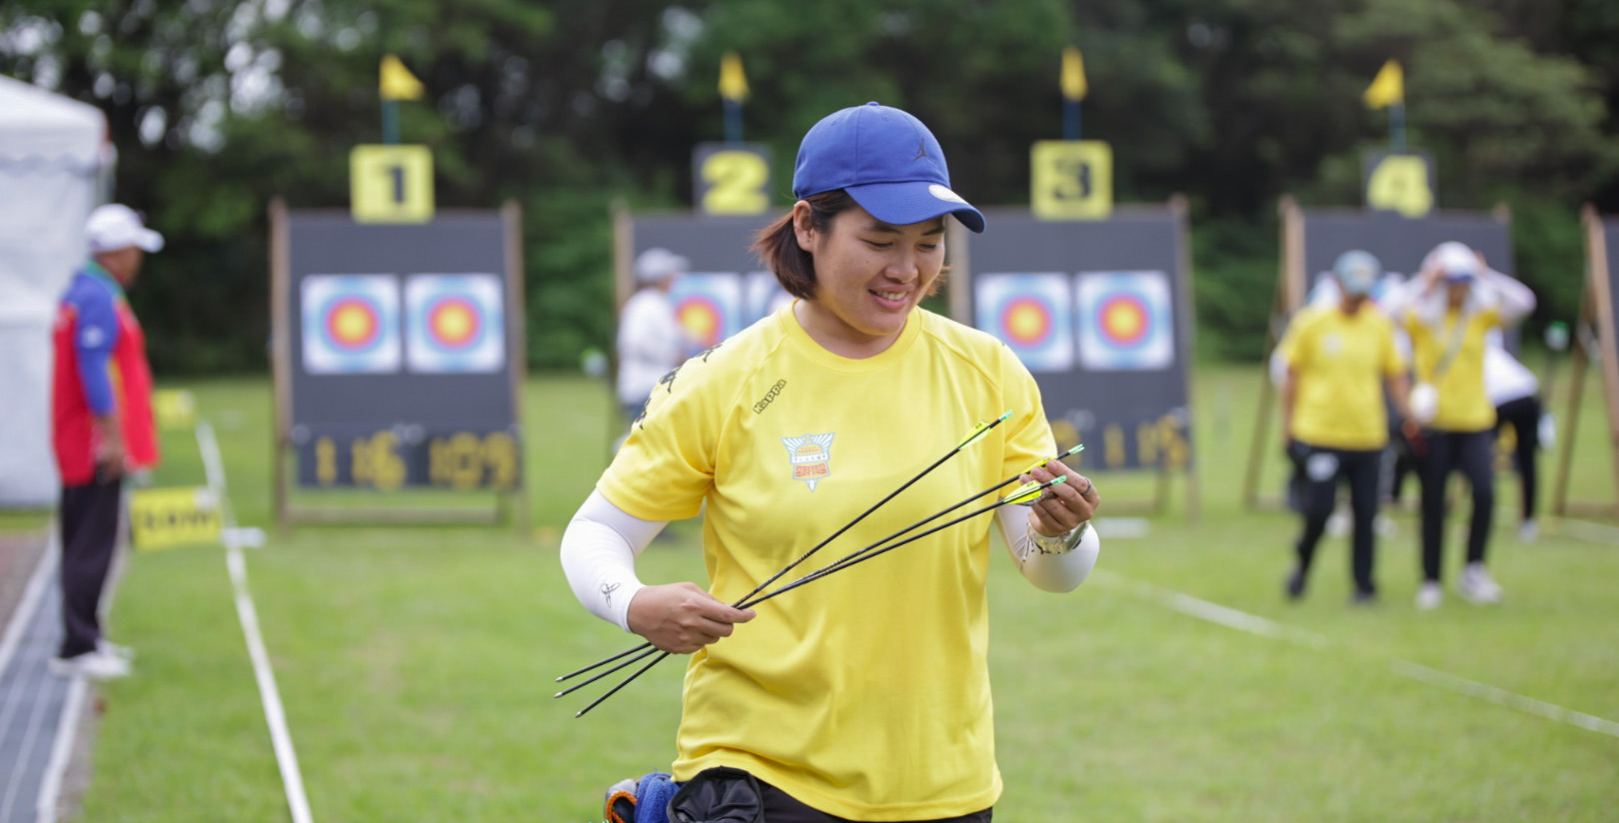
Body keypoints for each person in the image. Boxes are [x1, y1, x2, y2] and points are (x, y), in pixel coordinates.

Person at [561, 102, 1102, 822]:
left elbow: (1045, 566)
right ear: (807, 226)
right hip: (759, 773)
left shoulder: (987, 371)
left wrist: (1062, 530)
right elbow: (594, 532)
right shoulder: (724, 379)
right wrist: (634, 602)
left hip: (940, 779)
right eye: (879, 241)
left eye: (928, 243)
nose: (907, 270)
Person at [1384, 241, 1534, 610]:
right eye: (1451, 282)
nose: (1457, 289)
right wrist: (1424, 278)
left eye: (1463, 282)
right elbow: (1387, 310)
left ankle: (1474, 569)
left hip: (1475, 421)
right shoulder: (1423, 318)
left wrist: (1486, 274)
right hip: (1435, 425)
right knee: (1434, 502)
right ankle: (1431, 579)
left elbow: (1523, 301)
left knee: (1484, 494)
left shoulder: (1479, 316)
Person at [48, 203, 164, 680]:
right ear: (116, 252)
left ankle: (84, 637)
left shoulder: (90, 290)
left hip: (84, 439)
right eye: (134, 248)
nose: (138, 258)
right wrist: (114, 439)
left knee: (87, 537)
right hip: (92, 443)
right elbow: (94, 370)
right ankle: (78, 646)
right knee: (90, 543)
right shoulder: (96, 296)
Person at [1276, 250, 1413, 604]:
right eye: (1353, 289)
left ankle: (1364, 587)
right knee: (1319, 511)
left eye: (1364, 290)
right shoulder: (1311, 322)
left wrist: (1408, 412)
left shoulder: (1380, 324)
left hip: (1367, 435)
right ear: (1337, 284)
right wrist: (1288, 426)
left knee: (1366, 514)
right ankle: (1302, 567)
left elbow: (1395, 373)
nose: (1358, 297)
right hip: (1320, 433)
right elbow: (1291, 373)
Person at [616, 247, 697, 431]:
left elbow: (677, 335)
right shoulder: (646, 303)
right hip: (645, 388)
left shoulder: (654, 303)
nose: (674, 279)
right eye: (670, 275)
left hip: (652, 388)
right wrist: (673, 356)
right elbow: (634, 343)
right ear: (660, 278)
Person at [1484, 329, 1543, 542]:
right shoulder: (1493, 347)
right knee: (1527, 460)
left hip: (1499, 398)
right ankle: (1528, 523)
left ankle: (1480, 519)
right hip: (1527, 390)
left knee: (1479, 458)